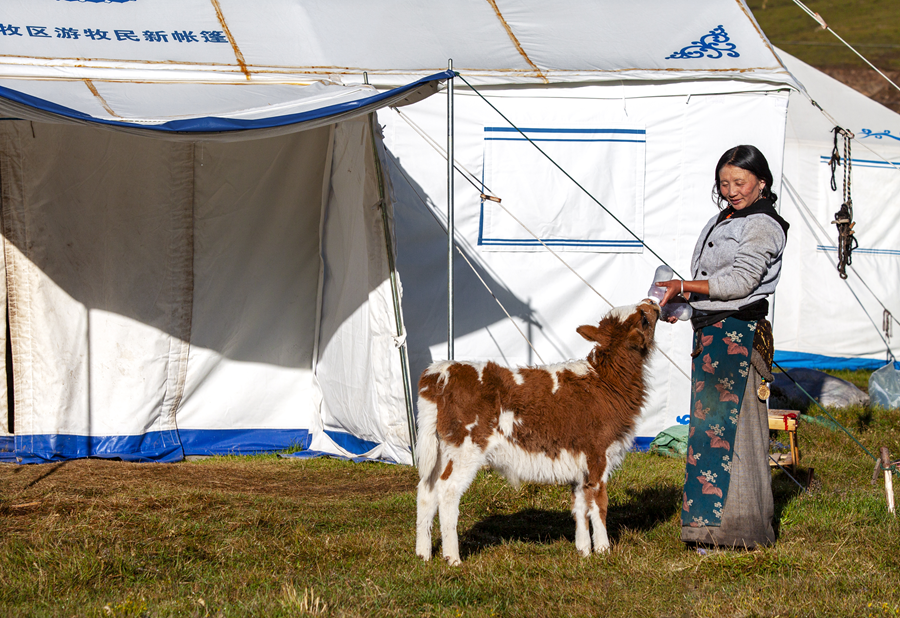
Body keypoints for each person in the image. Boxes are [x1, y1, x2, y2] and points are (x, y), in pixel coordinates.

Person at [656, 144, 789, 549]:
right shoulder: (724, 219)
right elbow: (712, 281)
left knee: (735, 433)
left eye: (740, 182)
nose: (731, 191)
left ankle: (740, 532)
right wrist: (685, 301)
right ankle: (706, 530)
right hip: (712, 336)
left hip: (737, 339)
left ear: (761, 182)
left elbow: (740, 283)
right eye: (724, 183)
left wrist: (685, 286)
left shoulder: (763, 225)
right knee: (709, 432)